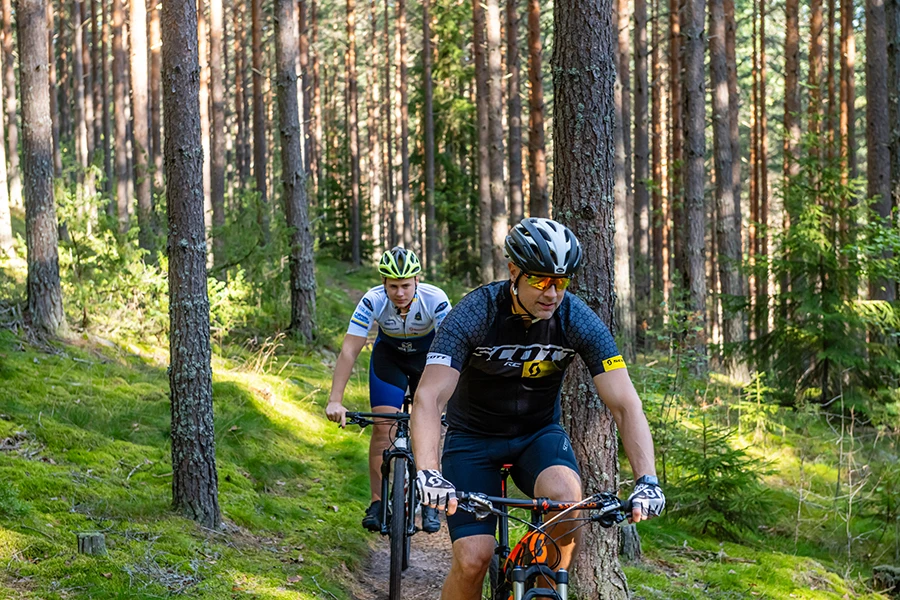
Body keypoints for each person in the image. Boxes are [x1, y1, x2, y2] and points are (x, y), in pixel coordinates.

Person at [410, 217, 665, 600]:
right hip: (473, 439)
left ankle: (543, 591)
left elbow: (626, 403)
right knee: (473, 560)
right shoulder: (476, 312)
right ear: (514, 271)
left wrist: (647, 479)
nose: (552, 293)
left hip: (537, 435)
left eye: (561, 282)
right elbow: (429, 397)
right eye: (540, 280)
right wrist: (428, 472)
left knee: (567, 500)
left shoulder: (575, 317)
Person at [326, 247, 451, 534]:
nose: (399, 292)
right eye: (393, 285)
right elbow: (349, 349)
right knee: (383, 428)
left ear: (417, 280)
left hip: (427, 360)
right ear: (383, 283)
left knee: (429, 425)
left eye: (406, 285)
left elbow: (453, 350)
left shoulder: (436, 299)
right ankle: (378, 502)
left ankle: (430, 501)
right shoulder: (373, 300)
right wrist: (335, 400)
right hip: (389, 358)